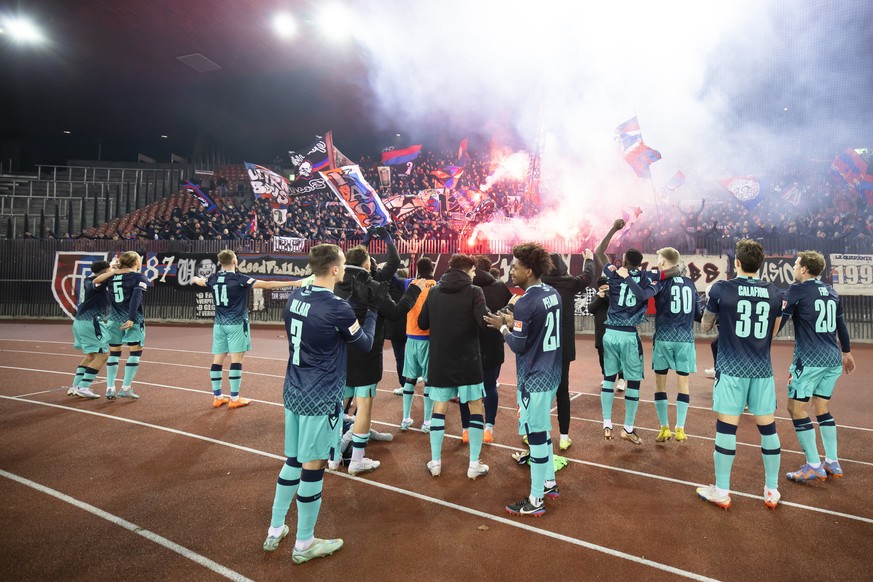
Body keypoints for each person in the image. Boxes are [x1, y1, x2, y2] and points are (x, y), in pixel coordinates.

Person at [263, 244, 377, 564]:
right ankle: (304, 543)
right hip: (321, 394)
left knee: (292, 460)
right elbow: (364, 345)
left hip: (294, 389)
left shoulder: (296, 296)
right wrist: (371, 317)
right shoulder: (337, 307)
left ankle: (275, 529)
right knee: (313, 467)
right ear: (336, 270)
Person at [696, 239, 784, 510]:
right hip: (761, 368)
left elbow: (706, 326)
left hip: (732, 368)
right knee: (768, 428)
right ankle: (772, 490)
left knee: (726, 428)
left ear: (736, 262)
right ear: (760, 264)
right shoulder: (775, 292)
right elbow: (775, 331)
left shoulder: (722, 288)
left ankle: (722, 490)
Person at [484, 243, 562, 517]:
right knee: (543, 430)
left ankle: (536, 499)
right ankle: (550, 483)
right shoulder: (552, 293)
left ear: (529, 270)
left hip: (535, 376)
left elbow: (518, 345)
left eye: (515, 266)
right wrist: (512, 319)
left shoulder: (526, 301)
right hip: (552, 371)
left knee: (537, 435)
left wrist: (502, 326)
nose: (511, 270)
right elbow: (538, 329)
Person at [334, 246, 422, 475]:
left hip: (340, 352)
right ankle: (356, 459)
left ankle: (334, 455)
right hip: (366, 352)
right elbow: (395, 313)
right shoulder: (371, 286)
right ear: (366, 265)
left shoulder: (334, 282)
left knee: (341, 404)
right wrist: (413, 291)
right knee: (364, 406)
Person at [779, 250, 855, 482]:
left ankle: (813, 465)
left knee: (796, 410)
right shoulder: (831, 292)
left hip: (809, 360)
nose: (793, 267)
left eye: (796, 264)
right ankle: (832, 461)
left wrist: (763, 341)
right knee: (822, 409)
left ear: (804, 269)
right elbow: (841, 325)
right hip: (832, 359)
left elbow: (780, 321)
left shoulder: (796, 290)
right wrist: (847, 352)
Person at [192, 249, 299, 409]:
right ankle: (234, 398)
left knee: (217, 360)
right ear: (234, 261)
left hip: (219, 325)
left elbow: (200, 281)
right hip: (236, 324)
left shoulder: (214, 278)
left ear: (221, 263)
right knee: (236, 360)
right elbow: (268, 285)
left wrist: (194, 278)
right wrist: (295, 283)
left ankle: (217, 396)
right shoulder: (239, 279)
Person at [418, 254, 490, 478]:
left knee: (439, 408)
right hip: (468, 360)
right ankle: (473, 465)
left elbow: (422, 323)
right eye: (474, 270)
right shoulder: (474, 291)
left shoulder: (434, 291)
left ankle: (436, 462)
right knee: (476, 407)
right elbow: (484, 321)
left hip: (440, 360)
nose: (475, 274)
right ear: (468, 269)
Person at [595, 219, 658, 445]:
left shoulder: (613, 272)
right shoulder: (648, 278)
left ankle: (607, 423)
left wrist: (614, 228)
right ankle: (628, 428)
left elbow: (599, 251)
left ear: (625, 261)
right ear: (641, 264)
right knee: (633, 382)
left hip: (609, 333)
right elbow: (643, 296)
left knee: (608, 378)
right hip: (629, 335)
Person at [542, 250, 596, 451]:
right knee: (562, 391)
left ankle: (540, 433)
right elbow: (588, 275)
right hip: (563, 346)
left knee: (541, 392)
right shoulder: (570, 283)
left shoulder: (539, 285)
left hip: (542, 347)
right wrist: (588, 258)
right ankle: (564, 436)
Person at [458, 255, 513, 443]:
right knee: (490, 386)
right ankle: (488, 428)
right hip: (494, 343)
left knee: (466, 390)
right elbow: (510, 312)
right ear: (489, 269)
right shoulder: (500, 287)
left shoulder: (467, 287)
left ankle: (466, 430)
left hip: (469, 344)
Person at [650, 247, 701, 443]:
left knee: (660, 384)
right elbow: (698, 314)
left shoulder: (661, 282)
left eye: (658, 259)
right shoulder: (690, 283)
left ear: (663, 262)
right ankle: (680, 428)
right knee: (683, 384)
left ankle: (664, 427)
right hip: (685, 339)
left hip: (664, 337)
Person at [92, 251, 148, 400]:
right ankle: (126, 387)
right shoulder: (139, 277)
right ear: (136, 262)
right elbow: (136, 297)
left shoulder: (112, 277)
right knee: (135, 353)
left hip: (113, 319)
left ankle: (110, 388)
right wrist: (131, 318)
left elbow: (95, 281)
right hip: (133, 320)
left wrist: (115, 271)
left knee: (115, 353)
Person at [400, 257, 437, 431]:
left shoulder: (410, 283)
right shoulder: (437, 286)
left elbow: (396, 279)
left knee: (410, 378)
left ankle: (406, 418)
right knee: (429, 381)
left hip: (411, 337)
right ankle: (427, 422)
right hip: (429, 338)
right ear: (432, 269)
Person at [67, 260, 112, 399]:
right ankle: (84, 387)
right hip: (91, 322)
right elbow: (99, 282)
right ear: (105, 271)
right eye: (109, 268)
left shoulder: (88, 280)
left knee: (91, 356)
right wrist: (116, 271)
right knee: (103, 355)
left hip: (80, 321)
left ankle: (75, 386)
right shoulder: (95, 282)